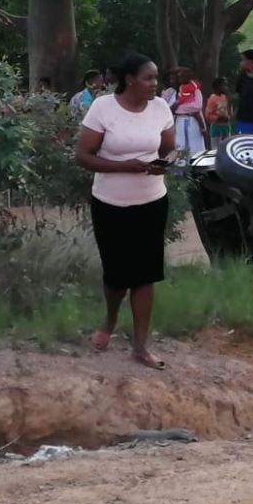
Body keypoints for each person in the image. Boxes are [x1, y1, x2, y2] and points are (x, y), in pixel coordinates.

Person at [75, 54, 175, 370]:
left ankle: (141, 347)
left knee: (146, 275)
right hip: (110, 204)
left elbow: (168, 147)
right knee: (117, 276)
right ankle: (110, 319)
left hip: (152, 202)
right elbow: (83, 155)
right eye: (148, 78)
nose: (154, 85)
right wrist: (125, 167)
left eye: (156, 79)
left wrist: (164, 164)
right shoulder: (103, 107)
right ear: (130, 79)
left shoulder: (160, 107)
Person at [170, 67, 207, 157]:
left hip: (193, 122)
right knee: (180, 145)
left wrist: (179, 108)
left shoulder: (196, 91)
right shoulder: (175, 92)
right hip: (179, 122)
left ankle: (196, 168)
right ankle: (181, 168)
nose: (179, 79)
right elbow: (169, 109)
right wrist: (185, 109)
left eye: (181, 77)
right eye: (178, 77)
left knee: (195, 147)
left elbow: (197, 106)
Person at [205, 77, 233, 141]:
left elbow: (230, 111)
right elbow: (208, 114)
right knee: (216, 147)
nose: (226, 87)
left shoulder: (226, 97)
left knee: (227, 144)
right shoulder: (212, 98)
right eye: (224, 85)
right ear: (218, 87)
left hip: (226, 126)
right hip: (216, 126)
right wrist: (217, 118)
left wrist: (229, 116)